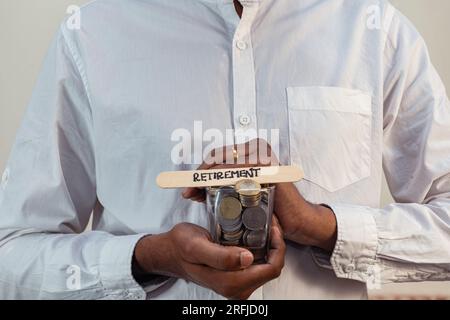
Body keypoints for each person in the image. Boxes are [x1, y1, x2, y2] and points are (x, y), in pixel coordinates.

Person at [0, 0, 449, 300]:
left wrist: (322, 226)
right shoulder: (93, 31)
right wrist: (147, 258)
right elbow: (12, 253)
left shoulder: (374, 30)